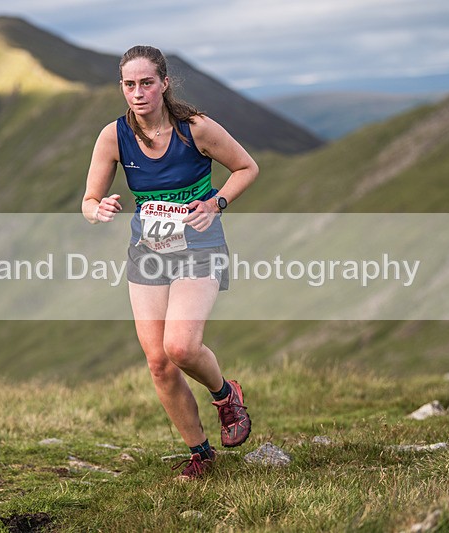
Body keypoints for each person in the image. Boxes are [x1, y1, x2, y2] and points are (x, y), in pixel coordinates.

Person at [82, 45, 258, 480]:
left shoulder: (194, 128)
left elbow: (246, 167)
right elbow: (88, 201)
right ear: (121, 87)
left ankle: (225, 395)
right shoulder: (113, 136)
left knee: (180, 347)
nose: (138, 93)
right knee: (158, 362)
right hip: (149, 254)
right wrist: (98, 209)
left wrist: (216, 203)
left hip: (200, 249)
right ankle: (200, 454)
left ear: (164, 83)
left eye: (146, 83)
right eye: (129, 84)